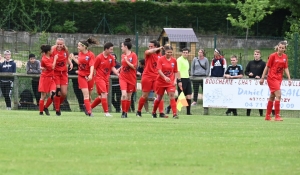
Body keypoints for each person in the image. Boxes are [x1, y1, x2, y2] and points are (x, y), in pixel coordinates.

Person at [260, 41, 291, 121]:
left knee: (272, 96)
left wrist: (289, 78)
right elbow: (267, 67)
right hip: (272, 78)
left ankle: (267, 116)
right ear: (277, 47)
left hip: (279, 78)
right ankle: (277, 116)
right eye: (279, 47)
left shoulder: (285, 56)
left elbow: (286, 67)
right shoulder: (273, 56)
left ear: (285, 49)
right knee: (279, 95)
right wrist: (262, 78)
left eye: (282, 48)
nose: (280, 49)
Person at [136, 40, 166, 118]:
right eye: (149, 46)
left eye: (151, 46)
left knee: (159, 95)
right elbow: (149, 52)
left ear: (155, 46)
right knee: (145, 95)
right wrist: (159, 47)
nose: (149, 48)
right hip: (147, 76)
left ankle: (161, 112)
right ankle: (139, 111)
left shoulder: (160, 56)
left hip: (157, 77)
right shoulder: (148, 53)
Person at [152, 44, 182, 119]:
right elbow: (159, 70)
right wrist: (165, 77)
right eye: (168, 52)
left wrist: (175, 80)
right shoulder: (161, 59)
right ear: (165, 52)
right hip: (160, 82)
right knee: (159, 98)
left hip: (170, 82)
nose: (169, 54)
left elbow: (175, 71)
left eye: (171, 52)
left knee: (172, 95)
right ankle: (154, 112)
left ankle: (174, 114)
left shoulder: (174, 60)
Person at [90, 42, 119, 117]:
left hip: (106, 79)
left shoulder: (111, 58)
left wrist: (118, 74)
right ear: (106, 49)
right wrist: (93, 77)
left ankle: (88, 108)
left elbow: (112, 67)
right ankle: (106, 112)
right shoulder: (99, 57)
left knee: (101, 97)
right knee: (104, 94)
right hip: (99, 78)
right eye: (110, 49)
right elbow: (94, 67)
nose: (112, 51)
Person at [74, 37, 98, 117]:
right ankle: (90, 112)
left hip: (89, 76)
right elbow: (80, 64)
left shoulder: (91, 55)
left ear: (84, 47)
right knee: (86, 95)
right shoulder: (80, 53)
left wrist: (91, 75)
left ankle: (86, 106)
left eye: (79, 46)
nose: (78, 47)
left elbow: (91, 65)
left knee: (89, 96)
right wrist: (73, 58)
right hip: (81, 76)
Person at [165, 48, 192, 115]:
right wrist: (179, 81)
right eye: (184, 52)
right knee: (181, 96)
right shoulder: (179, 60)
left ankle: (188, 112)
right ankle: (168, 107)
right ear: (182, 53)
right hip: (182, 79)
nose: (185, 54)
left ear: (188, 53)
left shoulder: (186, 60)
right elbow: (178, 71)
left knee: (189, 96)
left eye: (186, 52)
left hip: (187, 79)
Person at [51, 38, 73, 116]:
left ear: (63, 44)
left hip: (64, 73)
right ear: (56, 44)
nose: (59, 46)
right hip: (56, 73)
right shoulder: (52, 50)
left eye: (61, 44)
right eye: (58, 44)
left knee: (64, 93)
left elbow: (67, 58)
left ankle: (57, 104)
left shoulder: (65, 50)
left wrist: (71, 63)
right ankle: (57, 110)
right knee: (58, 92)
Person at [119, 38, 138, 118]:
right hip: (123, 77)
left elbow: (134, 67)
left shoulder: (133, 55)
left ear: (126, 47)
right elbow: (123, 66)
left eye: (122, 46)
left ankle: (126, 112)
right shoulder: (122, 55)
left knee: (129, 96)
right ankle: (123, 112)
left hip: (131, 78)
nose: (121, 48)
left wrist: (127, 61)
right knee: (124, 95)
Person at [245, 50, 266, 116]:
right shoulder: (250, 63)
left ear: (260, 55)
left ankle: (261, 114)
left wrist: (260, 76)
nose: (256, 55)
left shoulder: (263, 63)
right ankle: (248, 114)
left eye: (257, 54)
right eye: (255, 54)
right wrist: (249, 74)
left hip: (260, 83)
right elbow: (246, 72)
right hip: (251, 83)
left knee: (259, 98)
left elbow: (266, 73)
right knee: (250, 98)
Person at [38, 45, 56, 115]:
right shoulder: (44, 59)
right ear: (48, 52)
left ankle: (45, 107)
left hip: (52, 78)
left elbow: (55, 47)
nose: (52, 51)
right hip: (45, 78)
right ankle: (41, 111)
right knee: (43, 95)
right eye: (51, 50)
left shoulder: (51, 56)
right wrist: (55, 59)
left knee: (53, 94)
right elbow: (52, 67)